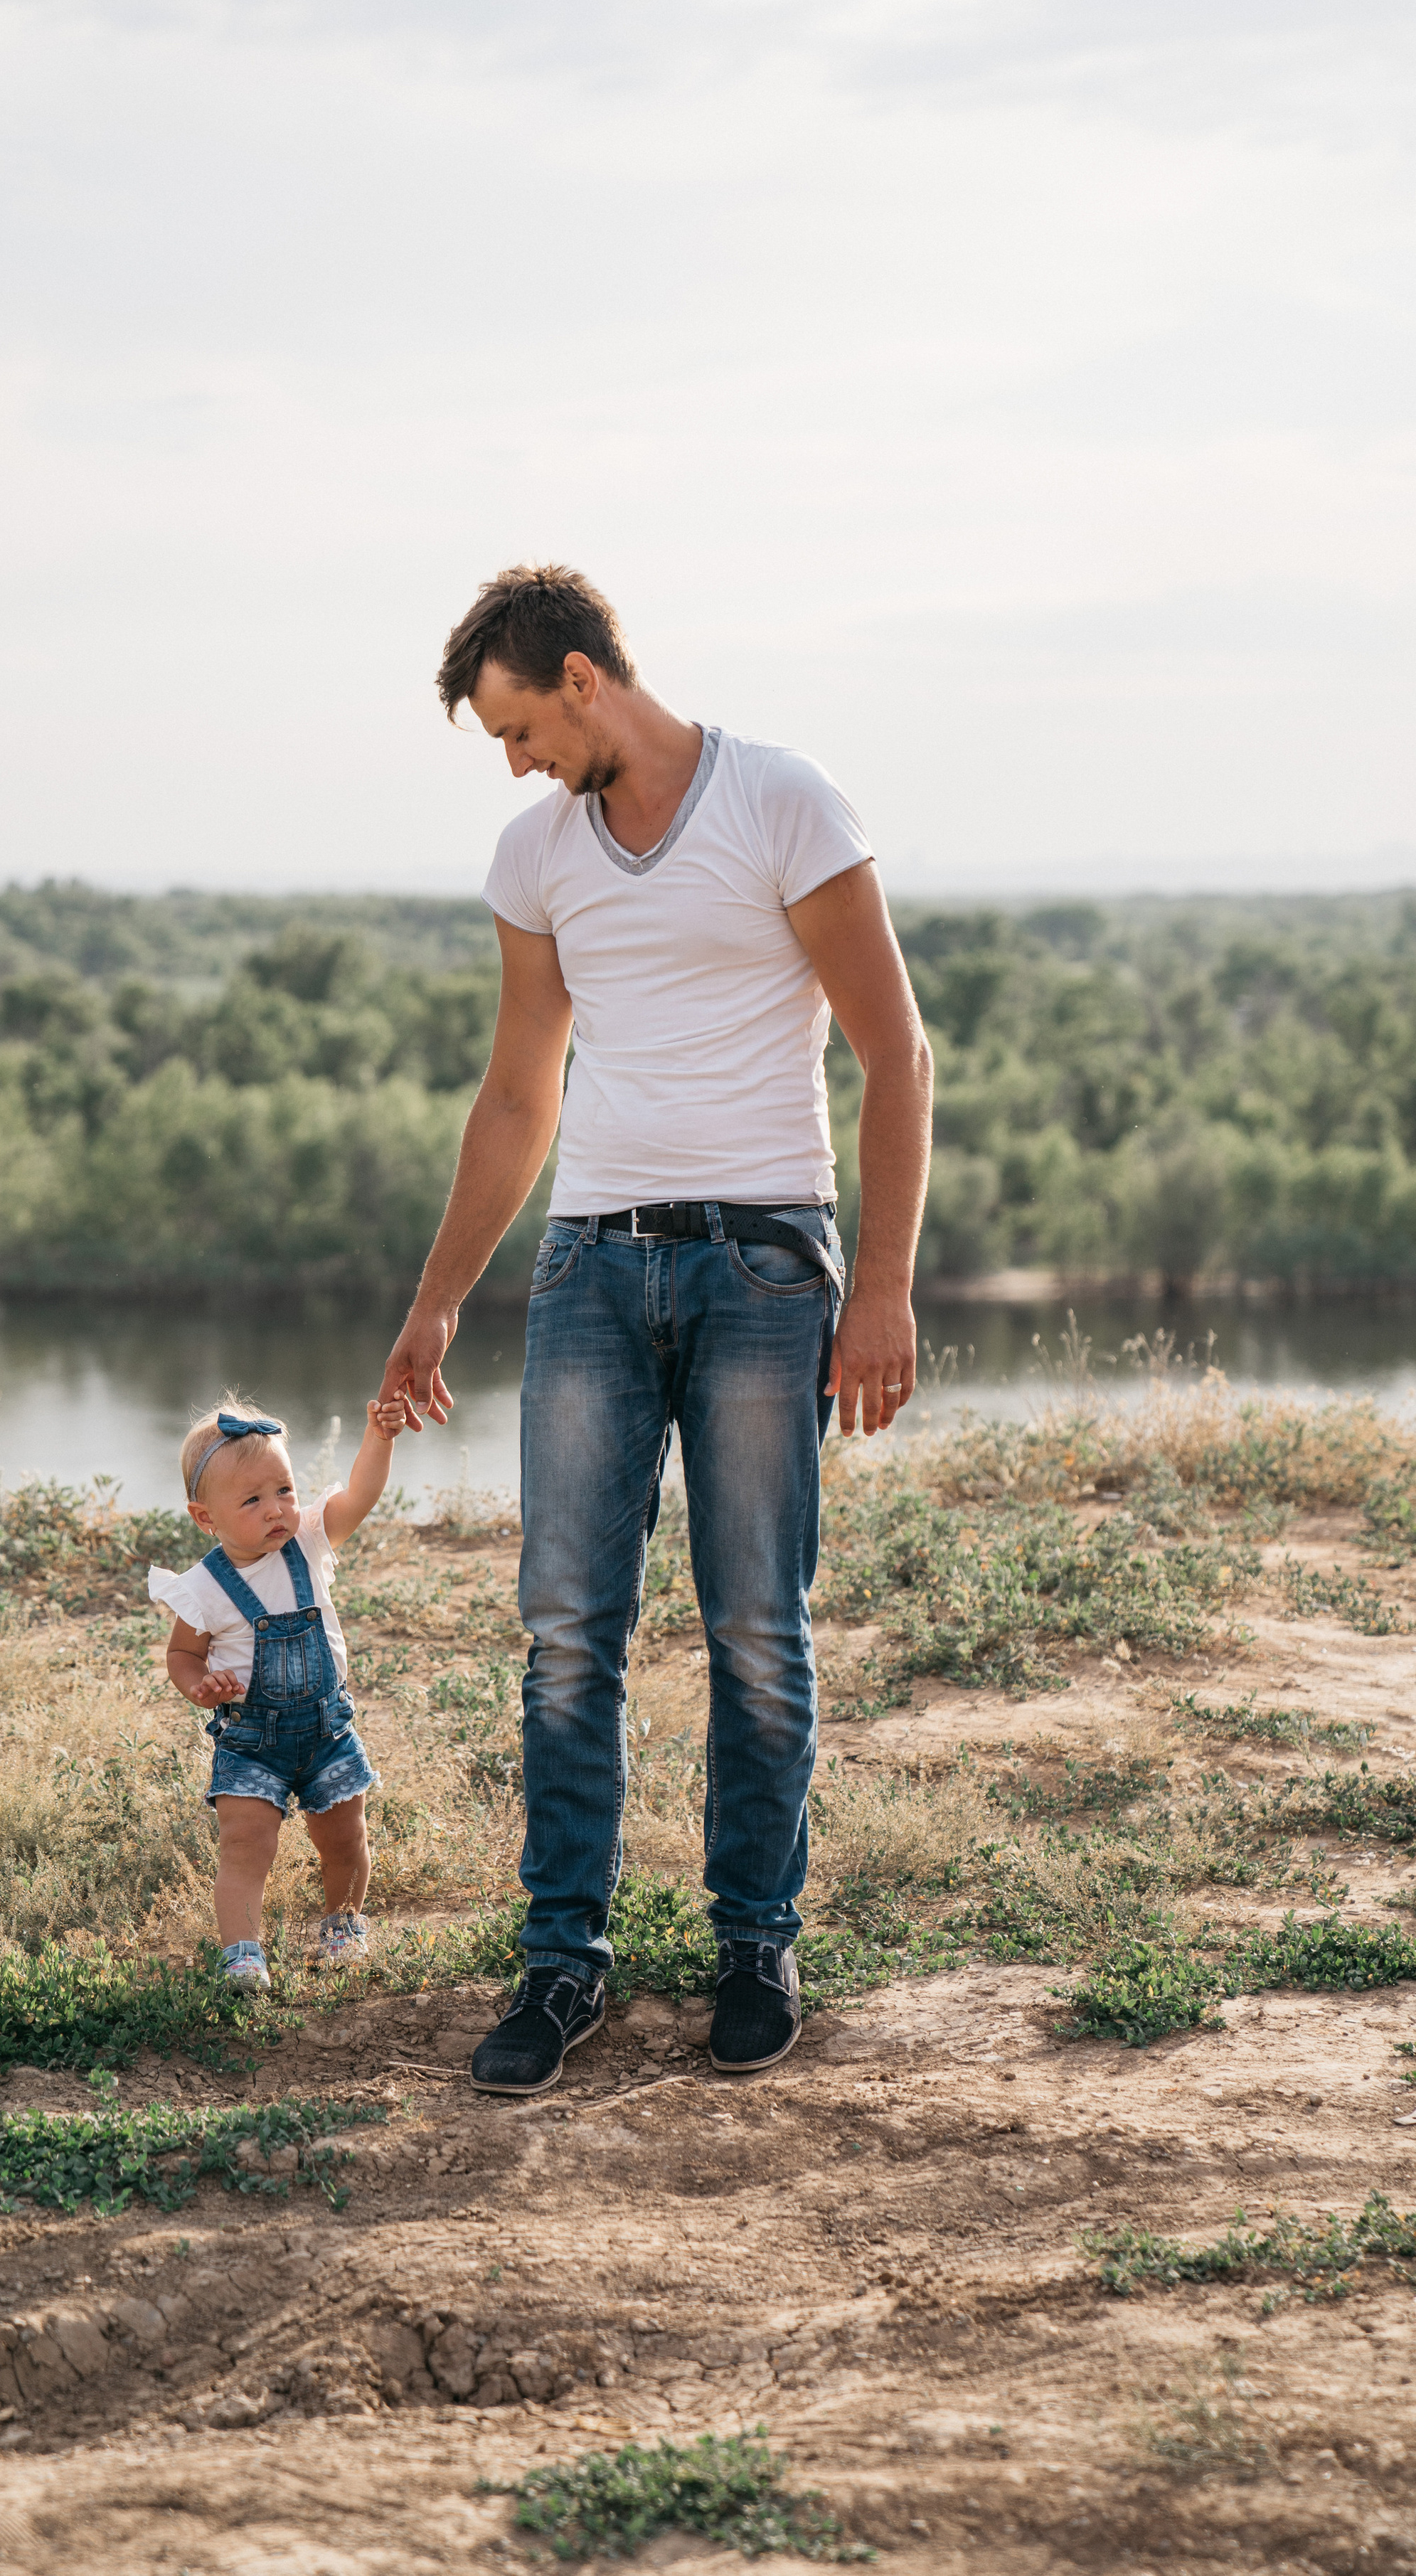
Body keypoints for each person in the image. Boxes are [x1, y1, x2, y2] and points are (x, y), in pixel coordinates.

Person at [380, 563, 932, 2095]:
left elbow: (896, 1053)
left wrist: (878, 1282)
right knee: (568, 1636)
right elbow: (515, 1098)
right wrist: (433, 1304)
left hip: (765, 1268)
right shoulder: (532, 854)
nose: (513, 765)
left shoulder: (781, 802)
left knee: (757, 1628)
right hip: (588, 1273)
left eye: (514, 728)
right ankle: (560, 1964)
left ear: (578, 677)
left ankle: (754, 1942)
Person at [147, 1393, 407, 1994]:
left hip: (326, 1730)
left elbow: (360, 1495)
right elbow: (182, 1654)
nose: (277, 1510)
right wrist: (200, 1686)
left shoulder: (309, 1542)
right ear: (204, 1516)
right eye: (253, 1500)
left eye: (285, 1490)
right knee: (246, 1844)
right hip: (251, 1740)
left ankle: (342, 1924)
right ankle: (242, 1952)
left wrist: (379, 1436)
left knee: (344, 1834)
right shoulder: (206, 1587)